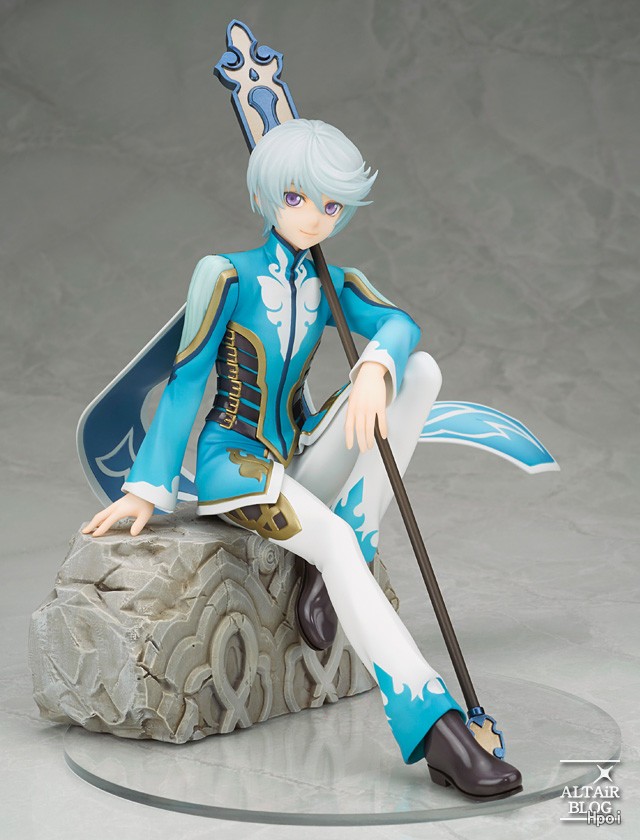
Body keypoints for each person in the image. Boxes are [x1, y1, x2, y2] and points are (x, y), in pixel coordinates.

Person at [82, 118, 522, 800]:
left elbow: (402, 324)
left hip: (299, 451)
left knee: (420, 370)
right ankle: (435, 726)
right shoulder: (225, 274)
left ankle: (343, 553)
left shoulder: (334, 281)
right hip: (238, 465)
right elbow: (186, 381)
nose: (314, 217)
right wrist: (148, 487)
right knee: (336, 540)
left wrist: (375, 365)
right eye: (297, 198)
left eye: (331, 205)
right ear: (266, 195)